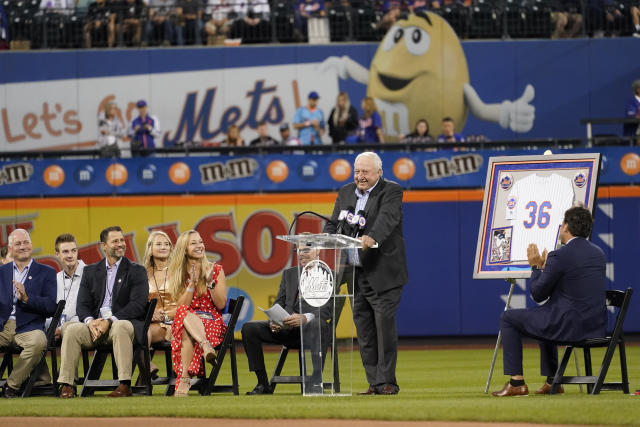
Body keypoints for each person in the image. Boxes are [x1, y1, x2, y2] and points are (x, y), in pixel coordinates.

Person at [492, 207, 607, 397]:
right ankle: (552, 381)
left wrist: (536, 267)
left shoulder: (559, 255)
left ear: (567, 227)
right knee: (545, 316)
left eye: (562, 224)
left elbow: (537, 294)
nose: (561, 228)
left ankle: (516, 383)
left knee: (508, 317)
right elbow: (573, 281)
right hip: (595, 327)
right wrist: (549, 268)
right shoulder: (598, 253)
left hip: (567, 326)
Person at [323, 152, 408, 395]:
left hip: (384, 272)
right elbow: (334, 224)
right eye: (357, 171)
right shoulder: (346, 192)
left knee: (384, 329)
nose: (360, 176)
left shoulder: (391, 190)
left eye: (365, 172)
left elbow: (387, 219)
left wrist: (371, 237)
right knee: (365, 331)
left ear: (379, 173)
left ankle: (387, 381)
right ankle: (374, 383)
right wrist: (322, 237)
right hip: (354, 272)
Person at [57, 226, 148, 398]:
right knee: (71, 329)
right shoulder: (90, 271)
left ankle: (124, 385)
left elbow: (137, 305)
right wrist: (90, 321)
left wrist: (110, 320)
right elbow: (82, 305)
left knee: (120, 326)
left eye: (122, 240)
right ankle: (67, 385)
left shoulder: (137, 270)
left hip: (122, 324)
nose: (121, 244)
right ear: (103, 246)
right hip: (96, 326)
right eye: (115, 241)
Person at [241, 244, 333, 395]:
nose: (301, 254)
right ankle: (263, 384)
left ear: (318, 251)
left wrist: (304, 318)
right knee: (249, 328)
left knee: (318, 324)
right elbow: (279, 302)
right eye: (299, 250)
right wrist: (275, 320)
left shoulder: (328, 274)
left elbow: (328, 310)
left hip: (311, 331)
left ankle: (316, 381)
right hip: (287, 329)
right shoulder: (289, 274)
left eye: (306, 250)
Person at [168, 230, 227, 397]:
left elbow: (221, 304)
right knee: (184, 318)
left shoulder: (216, 269)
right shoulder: (177, 273)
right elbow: (182, 307)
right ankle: (204, 345)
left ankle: (184, 381)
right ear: (184, 249)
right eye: (193, 243)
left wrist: (210, 283)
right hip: (188, 321)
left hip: (212, 323)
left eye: (200, 242)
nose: (199, 245)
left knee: (183, 327)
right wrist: (191, 285)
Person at [0, 229, 57, 398]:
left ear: (31, 245)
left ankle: (12, 385)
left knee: (39, 341)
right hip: (3, 326)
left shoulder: (47, 272)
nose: (23, 246)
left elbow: (50, 307)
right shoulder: (1, 273)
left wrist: (26, 298)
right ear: (10, 248)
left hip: (28, 327)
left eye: (26, 242)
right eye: (18, 243)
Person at [141, 230, 176, 378]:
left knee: (141, 332)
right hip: (152, 321)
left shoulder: (178, 272)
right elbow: (140, 301)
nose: (163, 247)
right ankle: (146, 366)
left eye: (166, 244)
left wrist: (165, 316)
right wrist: (150, 314)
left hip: (175, 321)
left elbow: (186, 302)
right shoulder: (143, 273)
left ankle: (144, 375)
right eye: (159, 244)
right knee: (137, 330)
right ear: (150, 248)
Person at [50, 233, 86, 341]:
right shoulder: (56, 279)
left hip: (84, 326)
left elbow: (89, 311)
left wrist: (61, 329)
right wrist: (52, 328)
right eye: (65, 251)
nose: (70, 255)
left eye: (73, 251)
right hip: (60, 329)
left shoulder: (90, 274)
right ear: (57, 254)